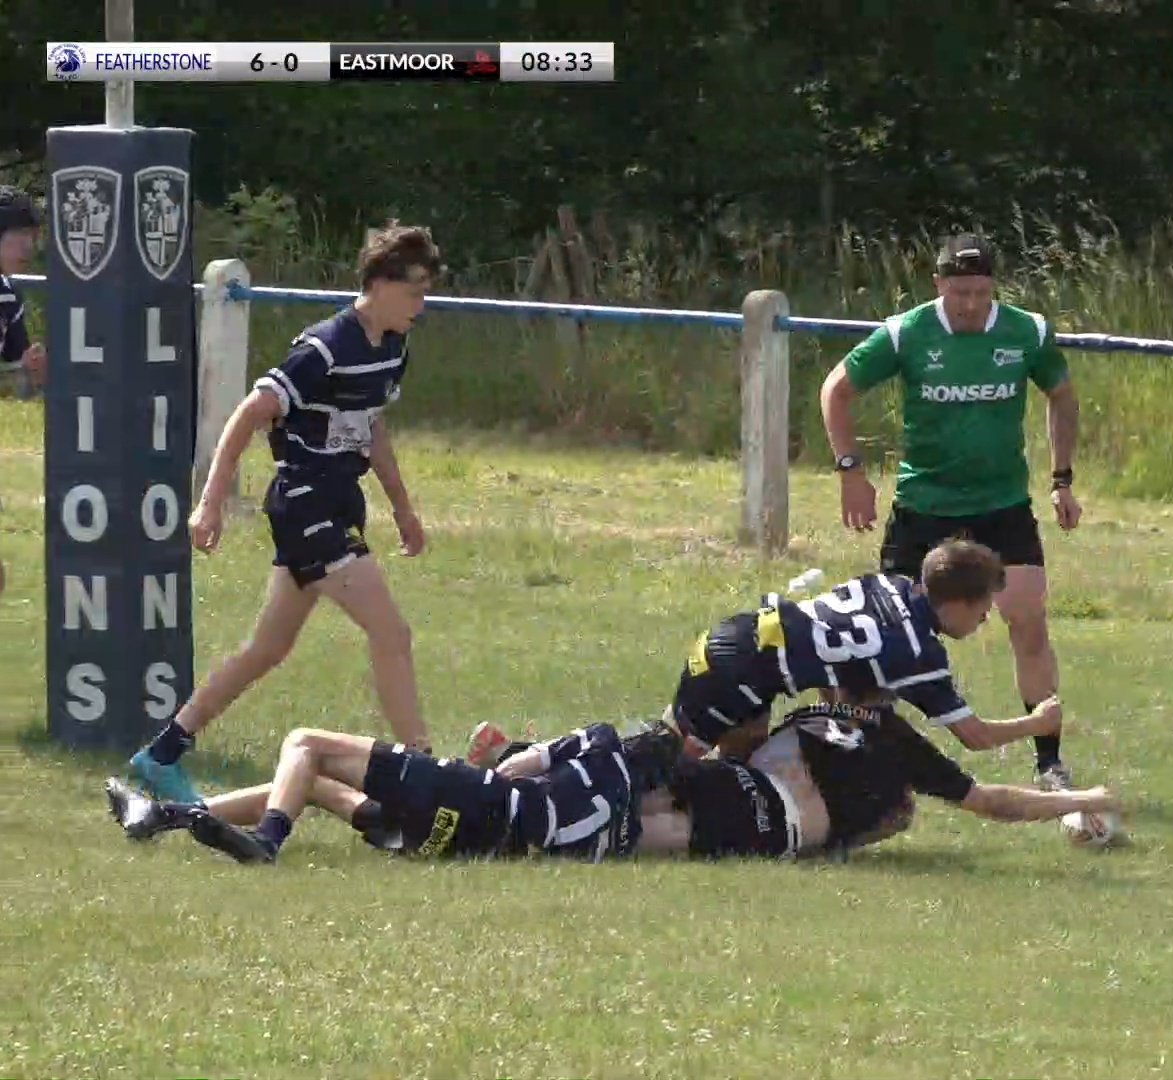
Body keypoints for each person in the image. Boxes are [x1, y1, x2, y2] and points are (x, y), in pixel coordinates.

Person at [122, 222, 441, 805]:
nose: (422, 305)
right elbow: (249, 414)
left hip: (340, 501)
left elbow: (372, 426)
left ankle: (161, 752)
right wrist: (210, 502)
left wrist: (403, 508)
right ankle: (423, 774)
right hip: (306, 505)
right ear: (381, 283)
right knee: (391, 632)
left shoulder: (393, 346)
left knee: (266, 649)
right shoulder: (324, 346)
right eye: (416, 291)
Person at [819, 233, 1081, 791]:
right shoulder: (906, 332)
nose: (970, 303)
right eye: (959, 291)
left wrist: (1061, 480)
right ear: (938, 284)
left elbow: (1061, 394)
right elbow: (836, 389)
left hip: (1001, 505)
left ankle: (1050, 763)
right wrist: (851, 471)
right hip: (925, 506)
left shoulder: (1026, 331)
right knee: (886, 636)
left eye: (982, 292)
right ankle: (861, 760)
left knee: (1028, 619)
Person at [663, 538, 1061, 762]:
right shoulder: (917, 653)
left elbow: (831, 652)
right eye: (983, 609)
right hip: (739, 677)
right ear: (957, 604)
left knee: (738, 770)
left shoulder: (889, 584)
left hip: (738, 636)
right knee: (668, 776)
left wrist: (840, 720)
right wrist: (1038, 723)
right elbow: (974, 736)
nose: (985, 620)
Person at [105, 720, 685, 865]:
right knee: (318, 784)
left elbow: (522, 769)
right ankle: (165, 816)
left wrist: (474, 766)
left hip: (481, 799)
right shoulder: (626, 832)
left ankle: (267, 840)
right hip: (454, 847)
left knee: (304, 743)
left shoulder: (606, 742)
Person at [621, 700, 1119, 860]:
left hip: (744, 794)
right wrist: (1085, 796)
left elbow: (740, 734)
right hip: (770, 822)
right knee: (634, 831)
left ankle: (555, 785)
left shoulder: (809, 710)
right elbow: (989, 801)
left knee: (626, 799)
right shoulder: (899, 746)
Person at [0, 185, 47, 398]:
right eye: (20, 234)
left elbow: (18, 395)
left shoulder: (9, 294)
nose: (29, 246)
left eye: (32, 236)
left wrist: (32, 371)